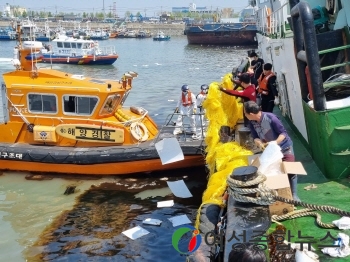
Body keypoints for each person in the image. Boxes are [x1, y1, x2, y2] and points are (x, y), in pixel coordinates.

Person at [243, 101, 300, 201]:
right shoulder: (251, 122)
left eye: (245, 113)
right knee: (274, 171)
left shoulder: (271, 118)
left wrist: (274, 143)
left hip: (285, 147)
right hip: (270, 151)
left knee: (291, 170)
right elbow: (255, 137)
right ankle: (280, 194)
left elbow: (283, 134)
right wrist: (259, 143)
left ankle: (294, 195)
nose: (245, 115)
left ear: (251, 114)